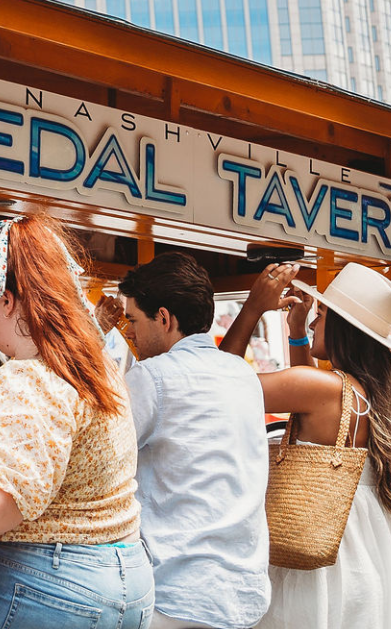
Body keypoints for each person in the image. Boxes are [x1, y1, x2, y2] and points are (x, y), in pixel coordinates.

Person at [0, 215, 153, 629]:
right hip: (125, 574)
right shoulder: (94, 367)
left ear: (9, 300)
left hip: (46, 586)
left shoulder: (29, 379)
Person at [222, 261, 391, 629]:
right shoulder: (377, 393)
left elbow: (213, 383)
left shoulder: (323, 388)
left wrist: (252, 309)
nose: (311, 322)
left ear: (343, 328)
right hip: (370, 557)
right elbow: (307, 395)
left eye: (320, 315)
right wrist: (296, 335)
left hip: (316, 558)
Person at [94, 252, 269, 629]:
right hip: (245, 593)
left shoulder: (152, 377)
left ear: (164, 318)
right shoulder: (242, 373)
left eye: (134, 321)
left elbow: (97, 457)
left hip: (176, 594)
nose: (132, 333)